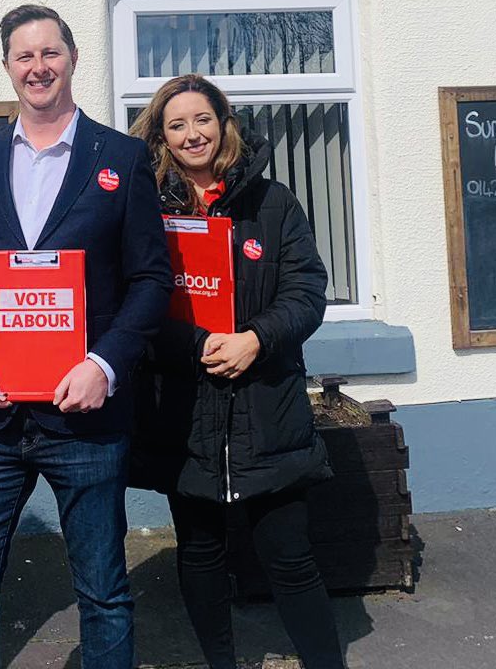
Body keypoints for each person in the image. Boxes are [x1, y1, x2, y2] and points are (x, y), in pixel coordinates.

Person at [0, 3, 172, 669]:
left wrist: (104, 363)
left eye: (49, 53)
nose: (38, 67)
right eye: (23, 56)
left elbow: (151, 280)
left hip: (85, 421)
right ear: (7, 67)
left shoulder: (119, 157)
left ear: (71, 58)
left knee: (102, 595)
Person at [128, 73, 345, 669]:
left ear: (224, 124)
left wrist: (256, 338)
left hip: (266, 406)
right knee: (199, 553)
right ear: (162, 137)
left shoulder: (272, 202)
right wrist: (194, 343)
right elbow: (136, 299)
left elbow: (307, 291)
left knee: (290, 557)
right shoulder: (148, 208)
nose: (191, 133)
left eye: (202, 119)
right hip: (186, 411)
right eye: (176, 125)